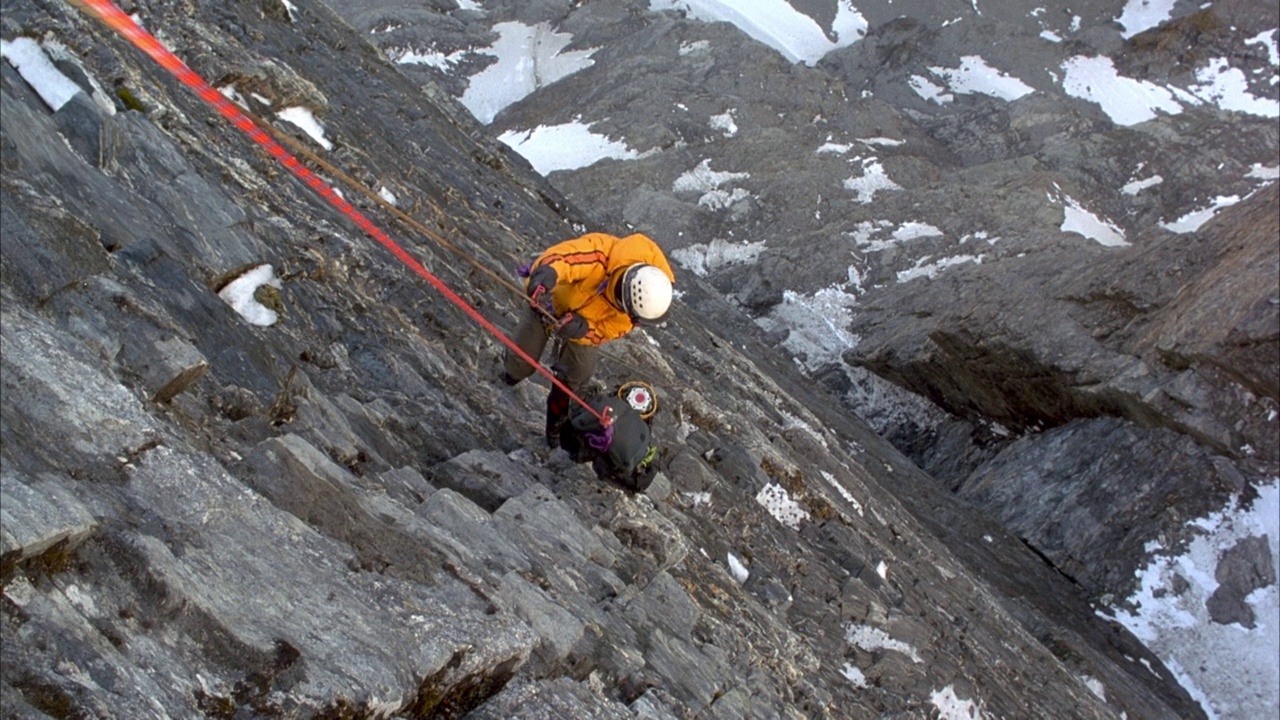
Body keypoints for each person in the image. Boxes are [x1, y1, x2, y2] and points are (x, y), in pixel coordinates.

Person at [501, 232, 675, 448]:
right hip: (547, 303)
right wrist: (547, 273)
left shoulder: (634, 312)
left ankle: (556, 425)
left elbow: (607, 331)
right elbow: (565, 258)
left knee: (574, 381)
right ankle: (512, 373)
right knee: (521, 363)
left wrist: (584, 330)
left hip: (581, 325)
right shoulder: (602, 256)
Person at [560, 381, 661, 493]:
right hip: (621, 467)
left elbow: (576, 423)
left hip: (591, 451)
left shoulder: (605, 406)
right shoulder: (644, 432)